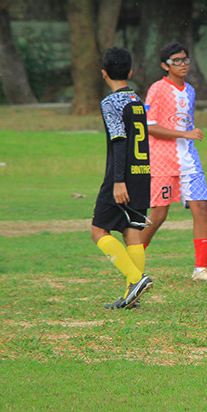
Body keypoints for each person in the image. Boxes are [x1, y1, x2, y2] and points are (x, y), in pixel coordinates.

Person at [140, 42, 207, 282]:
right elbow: (149, 126)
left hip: (189, 160)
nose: (183, 64)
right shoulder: (157, 89)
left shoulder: (191, 90)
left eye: (185, 59)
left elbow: (185, 123)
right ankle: (133, 260)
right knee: (159, 214)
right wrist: (185, 134)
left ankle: (201, 269)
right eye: (177, 61)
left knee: (201, 208)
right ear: (165, 65)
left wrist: (188, 135)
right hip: (162, 160)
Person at [91, 47, 153, 310]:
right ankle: (132, 296)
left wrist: (118, 181)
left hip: (123, 176)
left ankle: (136, 279)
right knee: (133, 233)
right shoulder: (137, 100)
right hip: (142, 173)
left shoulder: (110, 102)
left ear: (104, 73)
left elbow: (119, 141)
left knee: (98, 230)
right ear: (129, 72)